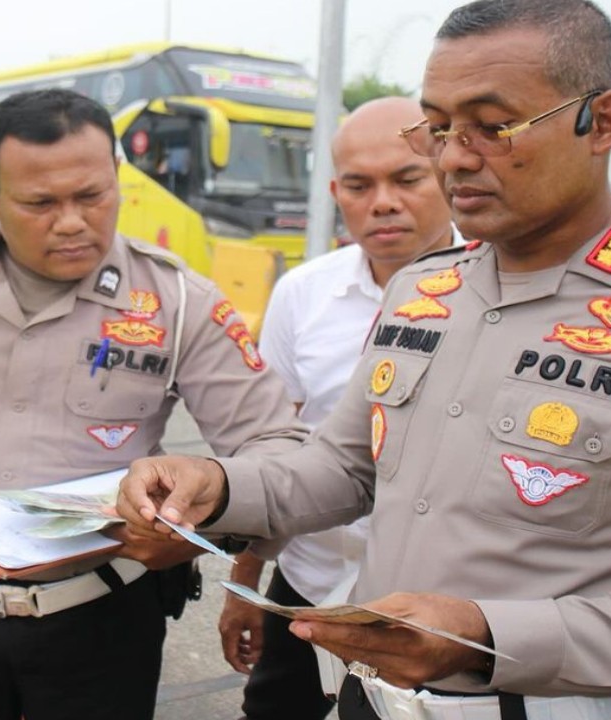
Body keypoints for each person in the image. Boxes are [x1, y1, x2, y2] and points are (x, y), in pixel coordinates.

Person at [117, 2, 611, 719]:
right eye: (440, 126)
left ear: (603, 123)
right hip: (372, 701)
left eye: (493, 126)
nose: (452, 156)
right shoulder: (424, 288)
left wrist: (489, 639)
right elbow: (344, 469)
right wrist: (215, 483)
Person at [0, 88, 307, 720]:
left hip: (101, 621)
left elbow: (276, 452)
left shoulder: (177, 300)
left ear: (117, 178)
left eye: (92, 195)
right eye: (40, 202)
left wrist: (202, 531)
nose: (71, 221)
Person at [220, 96, 457, 720]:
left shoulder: (499, 292)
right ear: (335, 191)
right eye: (359, 185)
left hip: (433, 602)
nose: (382, 202)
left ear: (448, 171)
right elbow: (276, 446)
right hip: (311, 580)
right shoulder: (303, 293)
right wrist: (245, 584)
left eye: (407, 179)